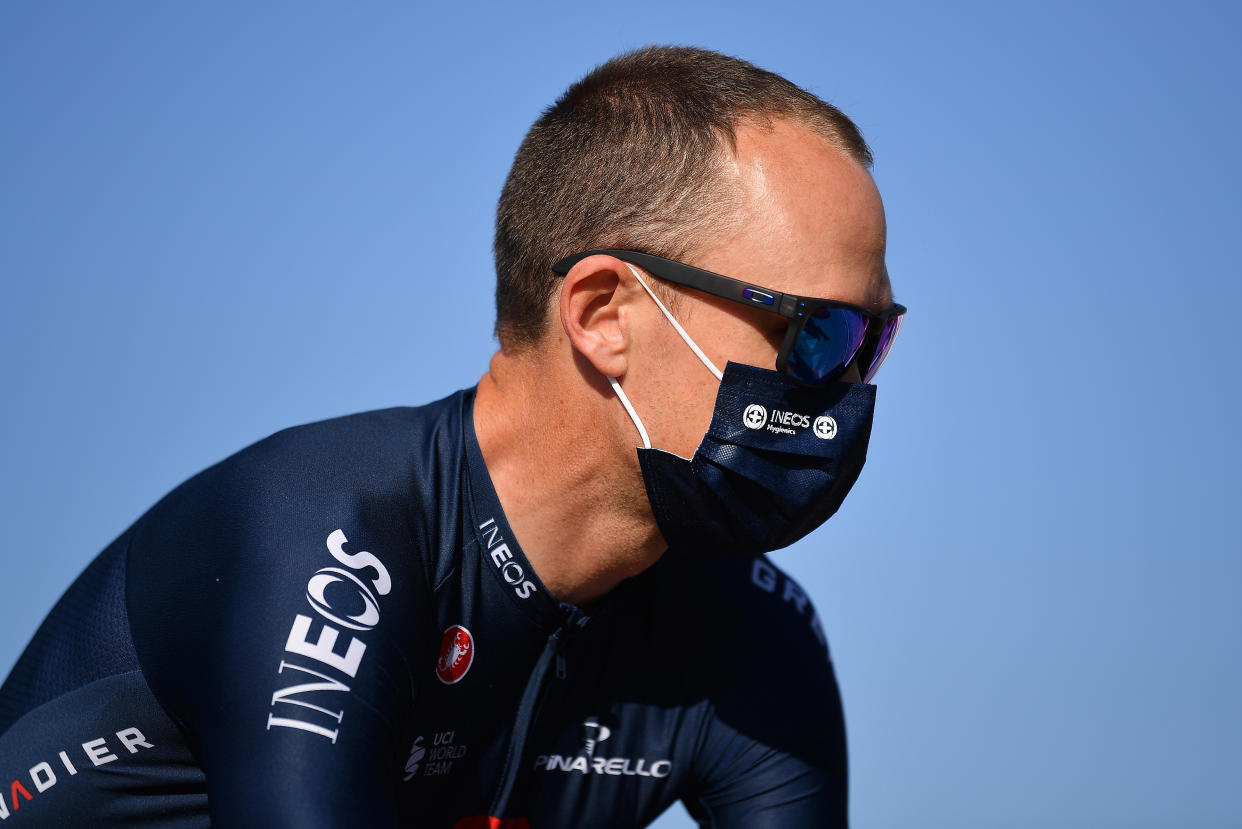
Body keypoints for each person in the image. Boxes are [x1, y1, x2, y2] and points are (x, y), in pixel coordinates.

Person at [0, 45, 902, 828]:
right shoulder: (326, 539)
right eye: (815, 333)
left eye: (873, 340)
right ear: (601, 315)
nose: (848, 388)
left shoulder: (754, 630)